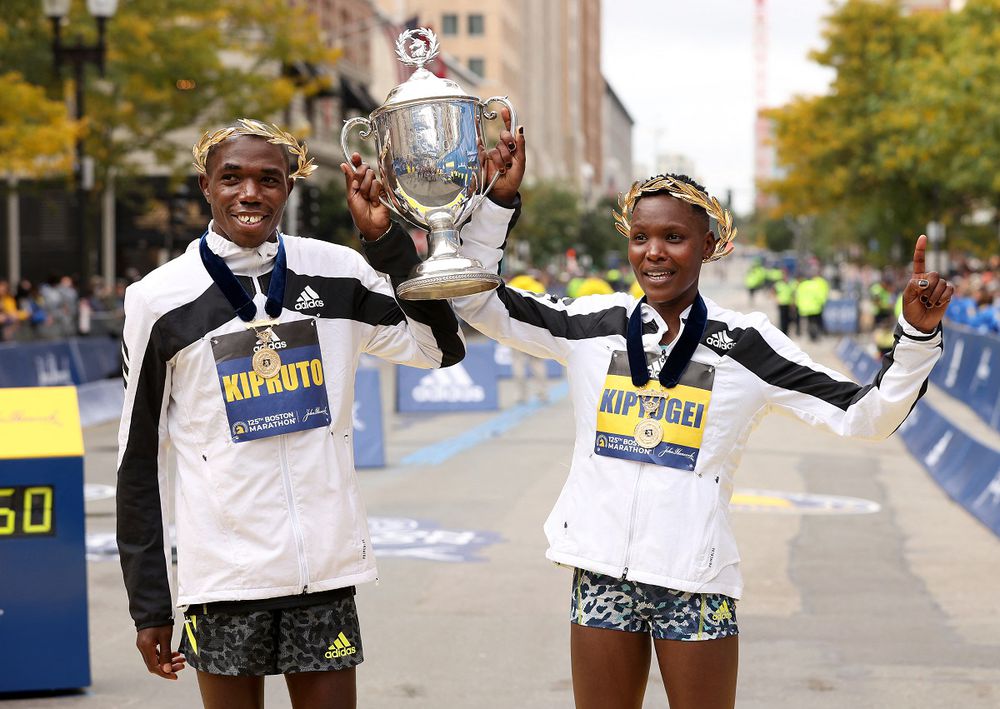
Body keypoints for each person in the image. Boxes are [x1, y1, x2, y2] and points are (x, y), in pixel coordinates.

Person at [442, 126, 950, 708]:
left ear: (709, 245)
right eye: (641, 238)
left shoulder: (747, 345)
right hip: (602, 571)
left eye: (674, 237)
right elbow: (475, 300)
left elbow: (868, 416)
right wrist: (498, 203)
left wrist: (916, 337)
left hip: (695, 579)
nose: (653, 252)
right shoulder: (593, 321)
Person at [115, 118, 466, 709]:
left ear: (289, 189)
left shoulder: (337, 272)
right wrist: (149, 603)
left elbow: (438, 348)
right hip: (224, 575)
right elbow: (137, 460)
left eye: (268, 179)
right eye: (232, 178)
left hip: (322, 572)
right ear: (206, 186)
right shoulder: (158, 300)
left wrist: (387, 245)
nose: (249, 193)